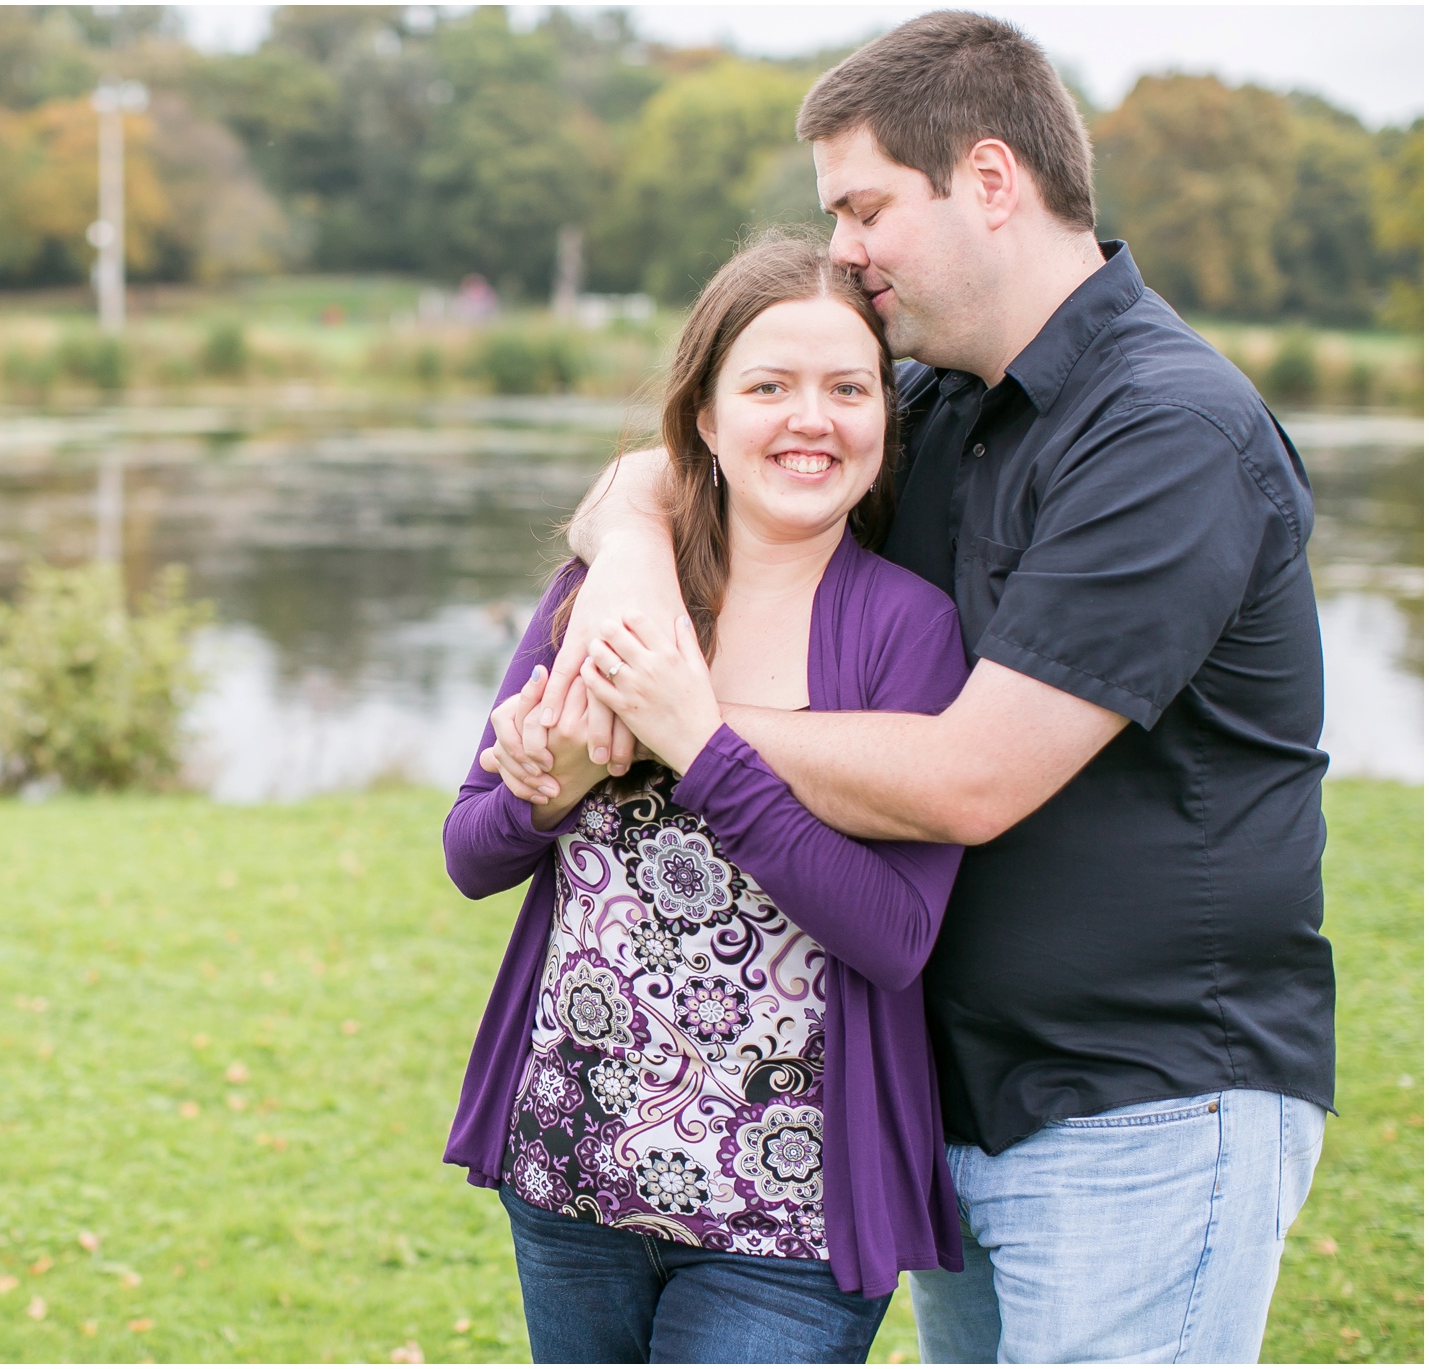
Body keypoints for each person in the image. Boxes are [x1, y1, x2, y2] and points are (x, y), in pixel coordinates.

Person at [491, 12, 1333, 1364]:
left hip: (1142, 1108)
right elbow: (675, 460)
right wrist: (637, 552)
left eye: (865, 206)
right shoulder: (939, 406)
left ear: (990, 180)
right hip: (953, 1103)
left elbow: (971, 775)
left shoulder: (1167, 432)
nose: (842, 250)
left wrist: (669, 724)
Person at [443, 233, 970, 1364]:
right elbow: (469, 851)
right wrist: (545, 793)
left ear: (885, 414)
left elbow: (893, 936)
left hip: (782, 1223)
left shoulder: (906, 629)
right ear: (704, 416)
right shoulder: (607, 594)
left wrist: (702, 742)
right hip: (569, 1173)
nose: (809, 419)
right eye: (768, 386)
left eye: (846, 387)